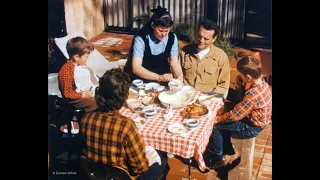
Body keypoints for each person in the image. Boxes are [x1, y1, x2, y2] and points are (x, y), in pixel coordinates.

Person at [80, 68, 169, 180]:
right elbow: (139, 167)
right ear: (123, 98)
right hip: (121, 176)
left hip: (97, 173)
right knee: (163, 162)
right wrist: (149, 160)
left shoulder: (86, 118)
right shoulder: (126, 126)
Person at [206, 56, 272, 169]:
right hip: (259, 122)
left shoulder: (253, 95)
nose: (240, 76)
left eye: (241, 75)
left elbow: (234, 116)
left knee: (215, 126)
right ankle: (228, 149)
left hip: (251, 128)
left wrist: (217, 119)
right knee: (225, 121)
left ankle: (218, 158)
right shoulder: (264, 84)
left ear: (248, 77)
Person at [124, 6, 183, 85]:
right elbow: (136, 67)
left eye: (167, 31)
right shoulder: (141, 38)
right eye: (160, 30)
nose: (164, 34)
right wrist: (158, 77)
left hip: (162, 75)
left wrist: (179, 75)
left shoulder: (172, 38)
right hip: (141, 77)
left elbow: (174, 61)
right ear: (153, 25)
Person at [179, 19, 230, 98]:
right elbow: (177, 75)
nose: (201, 41)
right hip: (185, 97)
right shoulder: (185, 51)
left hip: (208, 99)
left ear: (214, 39)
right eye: (199, 36)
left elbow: (223, 85)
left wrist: (208, 98)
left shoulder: (221, 57)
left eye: (206, 39)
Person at [58, 36, 98, 113]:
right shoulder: (67, 71)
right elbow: (67, 93)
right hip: (72, 100)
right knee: (95, 104)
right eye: (86, 57)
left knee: (101, 97)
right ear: (76, 57)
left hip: (82, 92)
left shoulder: (80, 66)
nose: (87, 59)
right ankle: (89, 120)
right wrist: (83, 95)